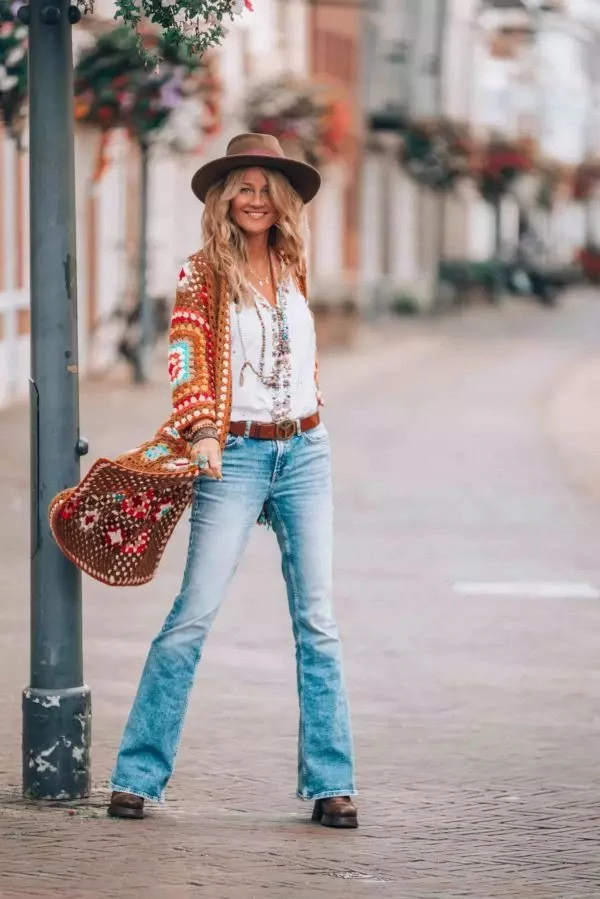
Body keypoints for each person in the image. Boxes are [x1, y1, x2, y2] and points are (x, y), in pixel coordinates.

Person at [107, 134, 358, 827]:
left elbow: (297, 360)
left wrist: (307, 415)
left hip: (304, 452)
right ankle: (137, 775)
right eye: (241, 187)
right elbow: (186, 356)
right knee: (191, 616)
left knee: (319, 621)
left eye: (265, 188)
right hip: (234, 456)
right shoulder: (201, 275)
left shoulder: (294, 264)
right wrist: (204, 432)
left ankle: (331, 783)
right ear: (225, 199)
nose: (254, 199)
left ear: (282, 201)